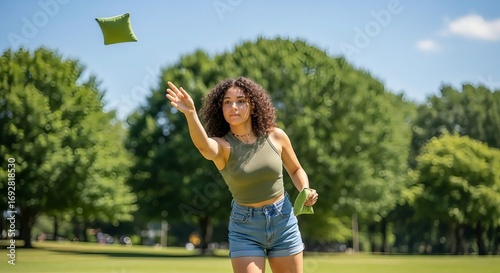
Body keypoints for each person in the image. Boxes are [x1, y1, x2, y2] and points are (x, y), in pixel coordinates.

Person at [166, 76, 318, 273]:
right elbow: (204, 146)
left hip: (283, 220)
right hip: (245, 227)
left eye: (241, 101)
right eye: (227, 102)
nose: (233, 107)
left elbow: (296, 169)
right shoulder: (224, 146)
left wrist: (304, 189)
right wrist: (191, 114)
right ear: (220, 109)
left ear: (253, 105)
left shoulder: (276, 136)